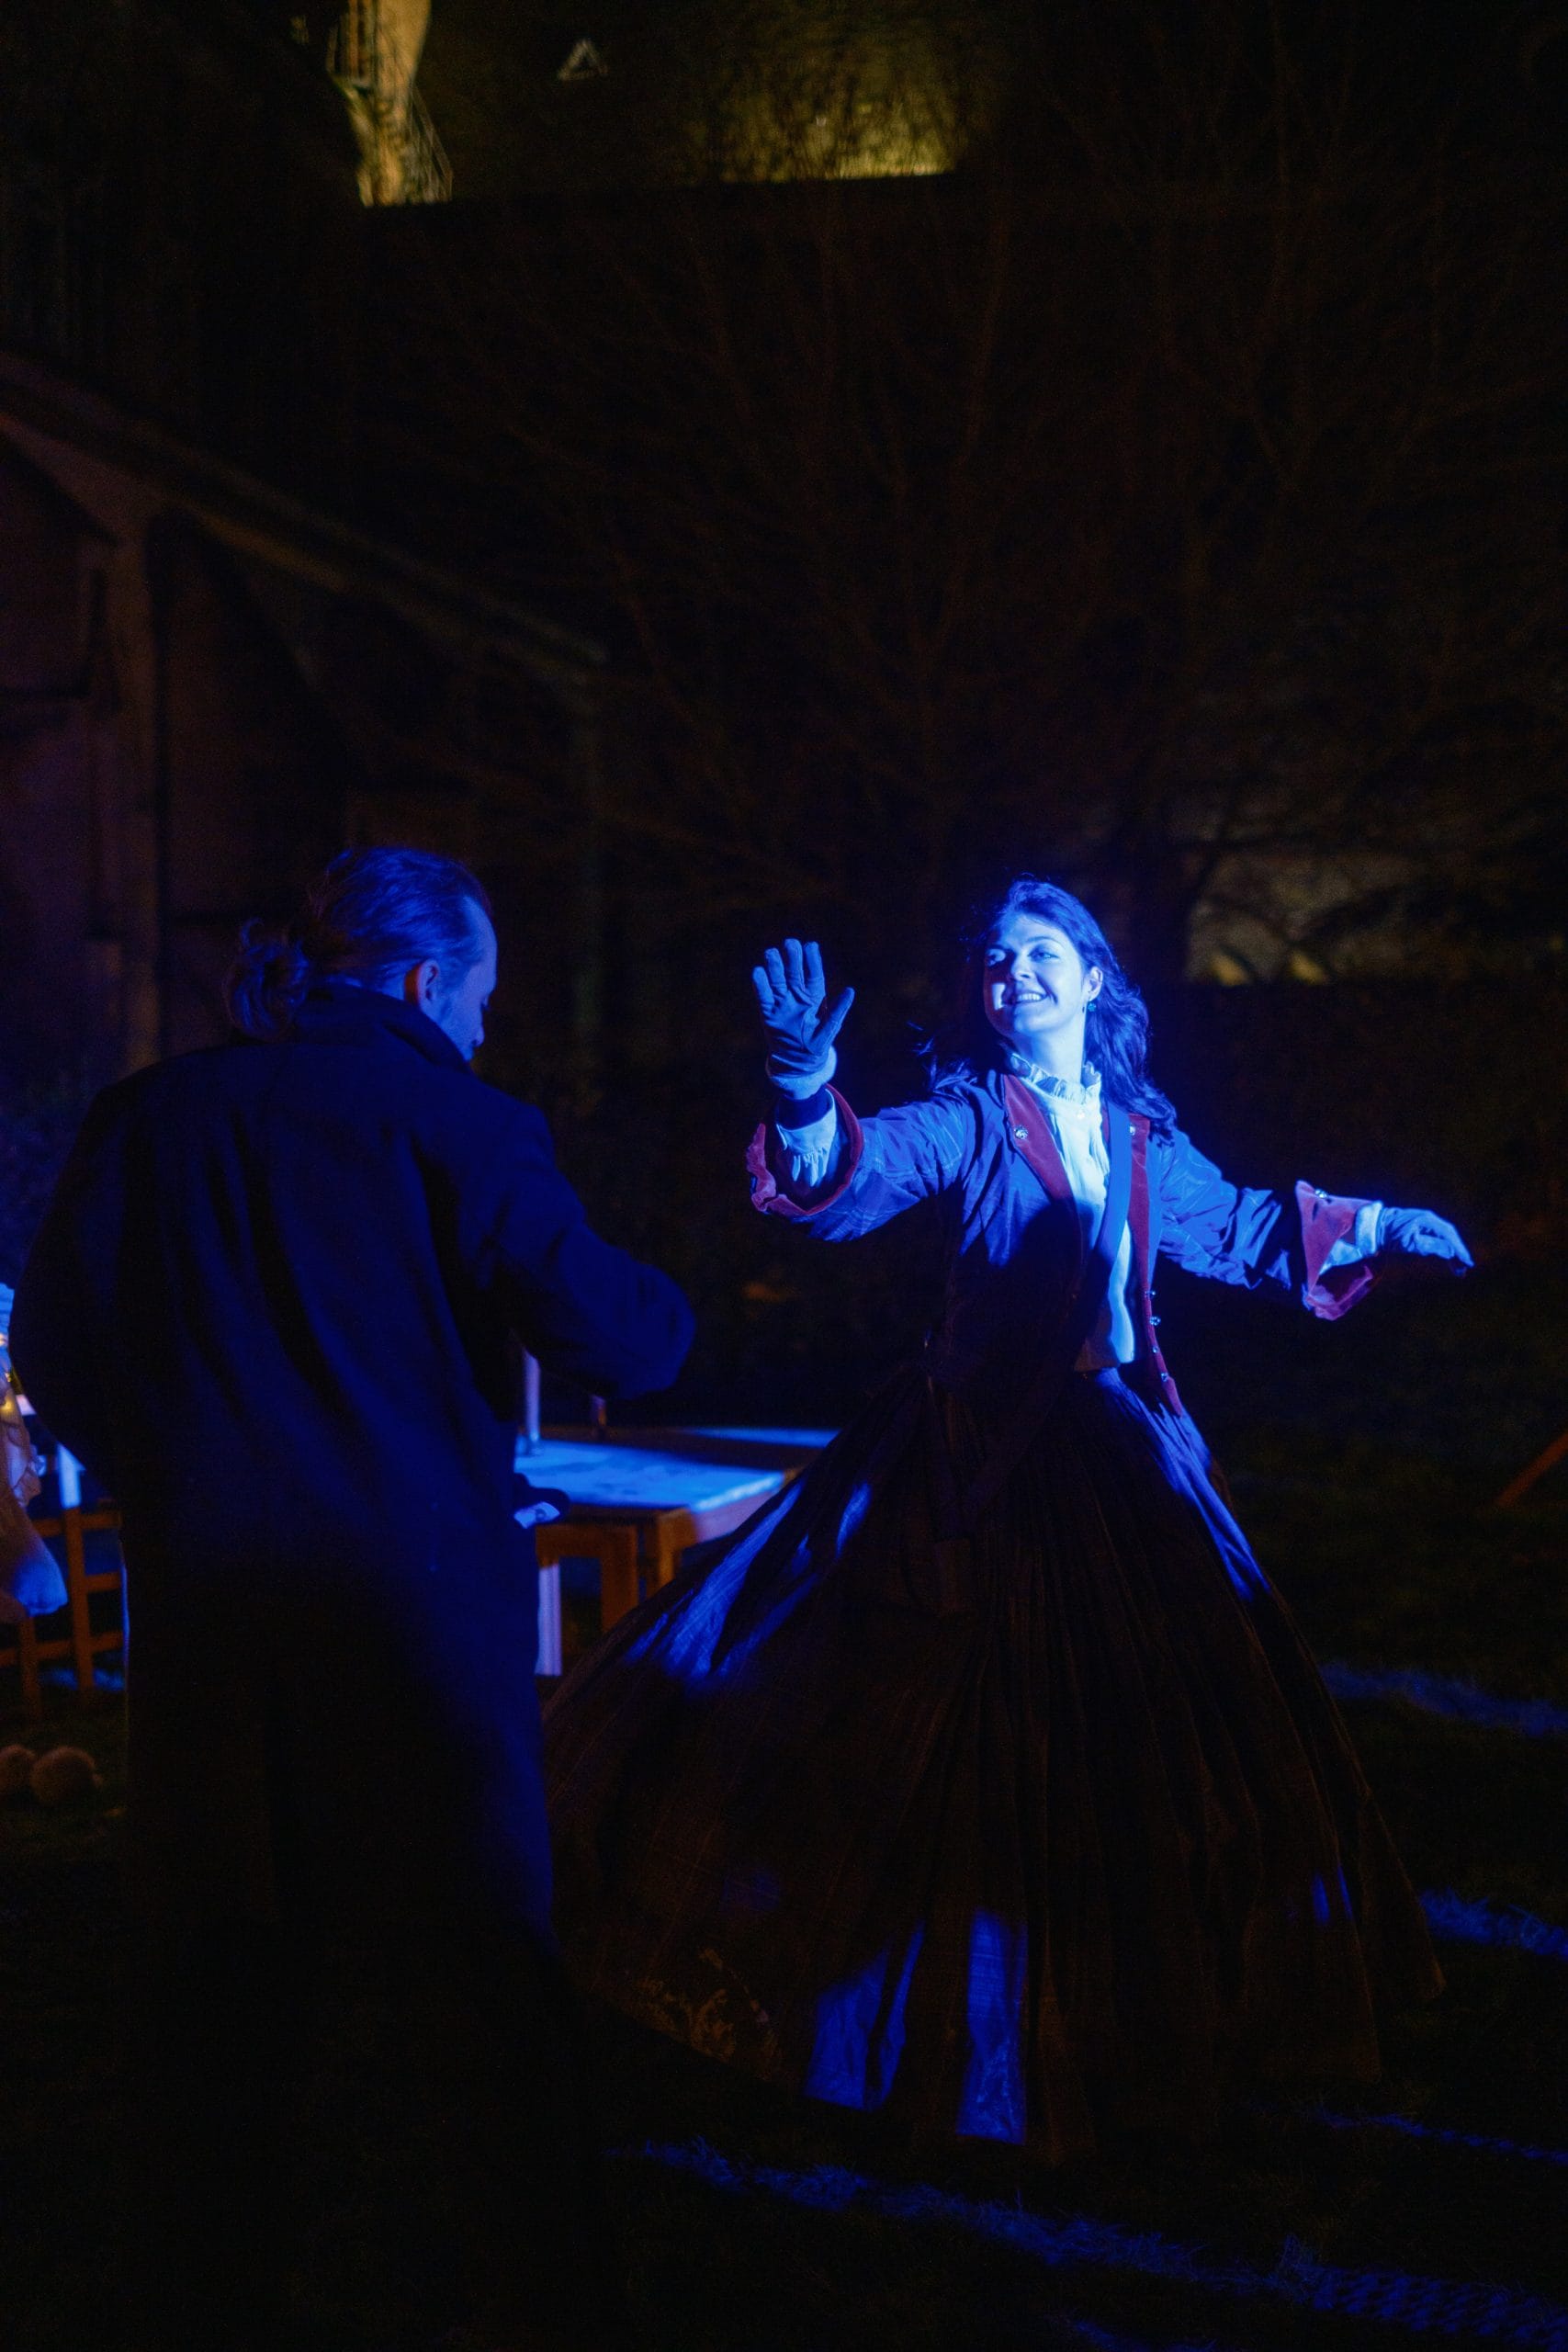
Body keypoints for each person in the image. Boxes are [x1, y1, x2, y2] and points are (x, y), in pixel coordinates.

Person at [544, 876, 1469, 2163]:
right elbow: (852, 1179)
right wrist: (806, 1088)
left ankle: (1158, 2019)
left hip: (1125, 1455)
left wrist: (1378, 1222)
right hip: (970, 1460)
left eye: (1040, 954)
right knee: (929, 1726)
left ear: (1094, 978)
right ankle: (949, 2041)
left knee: (1166, 1737)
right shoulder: (974, 1117)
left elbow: (1243, 1228)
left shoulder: (1139, 1134)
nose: (1013, 974)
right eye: (994, 960)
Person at [11, 846, 694, 2351]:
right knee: (488, 2011)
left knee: (210, 2009)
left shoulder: (151, 1117)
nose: (485, 1028)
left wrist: (170, 1477)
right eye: (483, 999)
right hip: (414, 1643)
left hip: (212, 1631)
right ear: (424, 981)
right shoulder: (461, 1122)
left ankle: (196, 2300)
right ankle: (541, 2303)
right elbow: (626, 1341)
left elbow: (54, 1348)